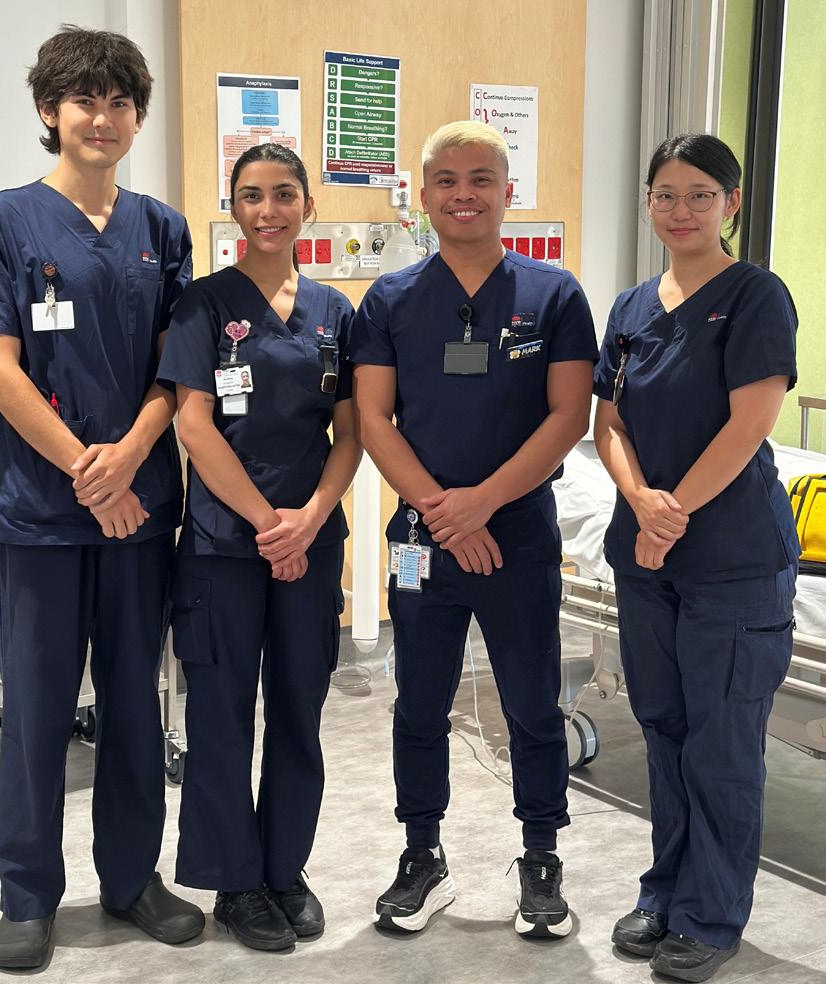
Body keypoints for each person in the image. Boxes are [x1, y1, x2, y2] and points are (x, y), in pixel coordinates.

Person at [0, 26, 204, 970]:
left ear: (136, 117)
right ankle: (27, 897)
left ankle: (132, 880)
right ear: (51, 111)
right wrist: (92, 477)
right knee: (39, 716)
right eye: (85, 100)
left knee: (135, 708)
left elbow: (178, 370)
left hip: (140, 513)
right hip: (44, 522)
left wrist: (127, 459)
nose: (104, 116)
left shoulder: (162, 230)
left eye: (120, 101)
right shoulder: (3, 221)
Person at [350, 121, 597, 938]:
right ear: (423, 196)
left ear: (507, 191)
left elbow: (567, 417)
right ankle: (422, 854)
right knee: (419, 702)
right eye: (448, 181)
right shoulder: (389, 301)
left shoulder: (553, 295)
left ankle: (541, 856)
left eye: (481, 178)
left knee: (531, 701)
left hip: (516, 535)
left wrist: (481, 504)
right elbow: (375, 421)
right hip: (423, 539)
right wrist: (445, 515)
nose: (465, 194)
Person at [593, 133, 800, 983]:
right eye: (666, 195)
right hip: (647, 555)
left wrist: (670, 513)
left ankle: (711, 915)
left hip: (731, 558)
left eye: (700, 196)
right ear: (648, 202)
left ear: (731, 204)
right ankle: (666, 892)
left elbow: (750, 424)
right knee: (664, 726)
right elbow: (608, 421)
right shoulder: (632, 306)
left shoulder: (755, 296)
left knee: (721, 741)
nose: (681, 211)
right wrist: (641, 500)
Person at [157, 143, 361, 952]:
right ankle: (235, 881)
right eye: (251, 195)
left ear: (308, 204)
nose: (268, 210)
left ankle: (284, 869)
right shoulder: (203, 305)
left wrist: (310, 517)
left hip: (310, 541)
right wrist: (268, 523)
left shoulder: (335, 312)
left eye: (283, 194)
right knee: (221, 716)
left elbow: (351, 433)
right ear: (232, 207)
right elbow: (193, 424)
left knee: (299, 711)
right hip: (223, 547)